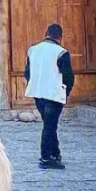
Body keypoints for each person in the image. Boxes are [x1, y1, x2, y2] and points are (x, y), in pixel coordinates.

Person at [25, 23, 75, 170]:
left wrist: (33, 83)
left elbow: (27, 72)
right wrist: (66, 92)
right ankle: (46, 157)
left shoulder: (33, 50)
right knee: (50, 126)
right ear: (60, 37)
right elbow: (68, 76)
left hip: (37, 92)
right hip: (53, 93)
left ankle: (55, 153)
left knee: (49, 124)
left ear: (46, 33)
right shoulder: (61, 52)